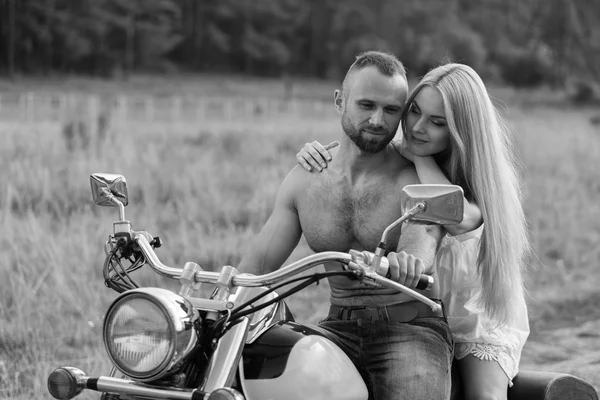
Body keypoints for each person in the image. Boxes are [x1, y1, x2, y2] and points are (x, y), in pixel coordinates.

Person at [295, 62, 530, 400]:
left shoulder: (470, 180)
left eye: (437, 123)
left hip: (471, 313)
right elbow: (358, 156)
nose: (418, 128)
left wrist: (418, 159)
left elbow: (453, 213)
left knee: (485, 397)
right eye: (414, 112)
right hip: (417, 305)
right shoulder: (406, 157)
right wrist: (316, 153)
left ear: (461, 130)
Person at [237, 51, 454, 400]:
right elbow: (258, 267)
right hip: (337, 327)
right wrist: (215, 305)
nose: (377, 120)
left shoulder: (416, 178)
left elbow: (422, 242)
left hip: (410, 330)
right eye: (366, 105)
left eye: (391, 110)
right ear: (340, 101)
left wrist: (408, 262)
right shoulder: (305, 181)